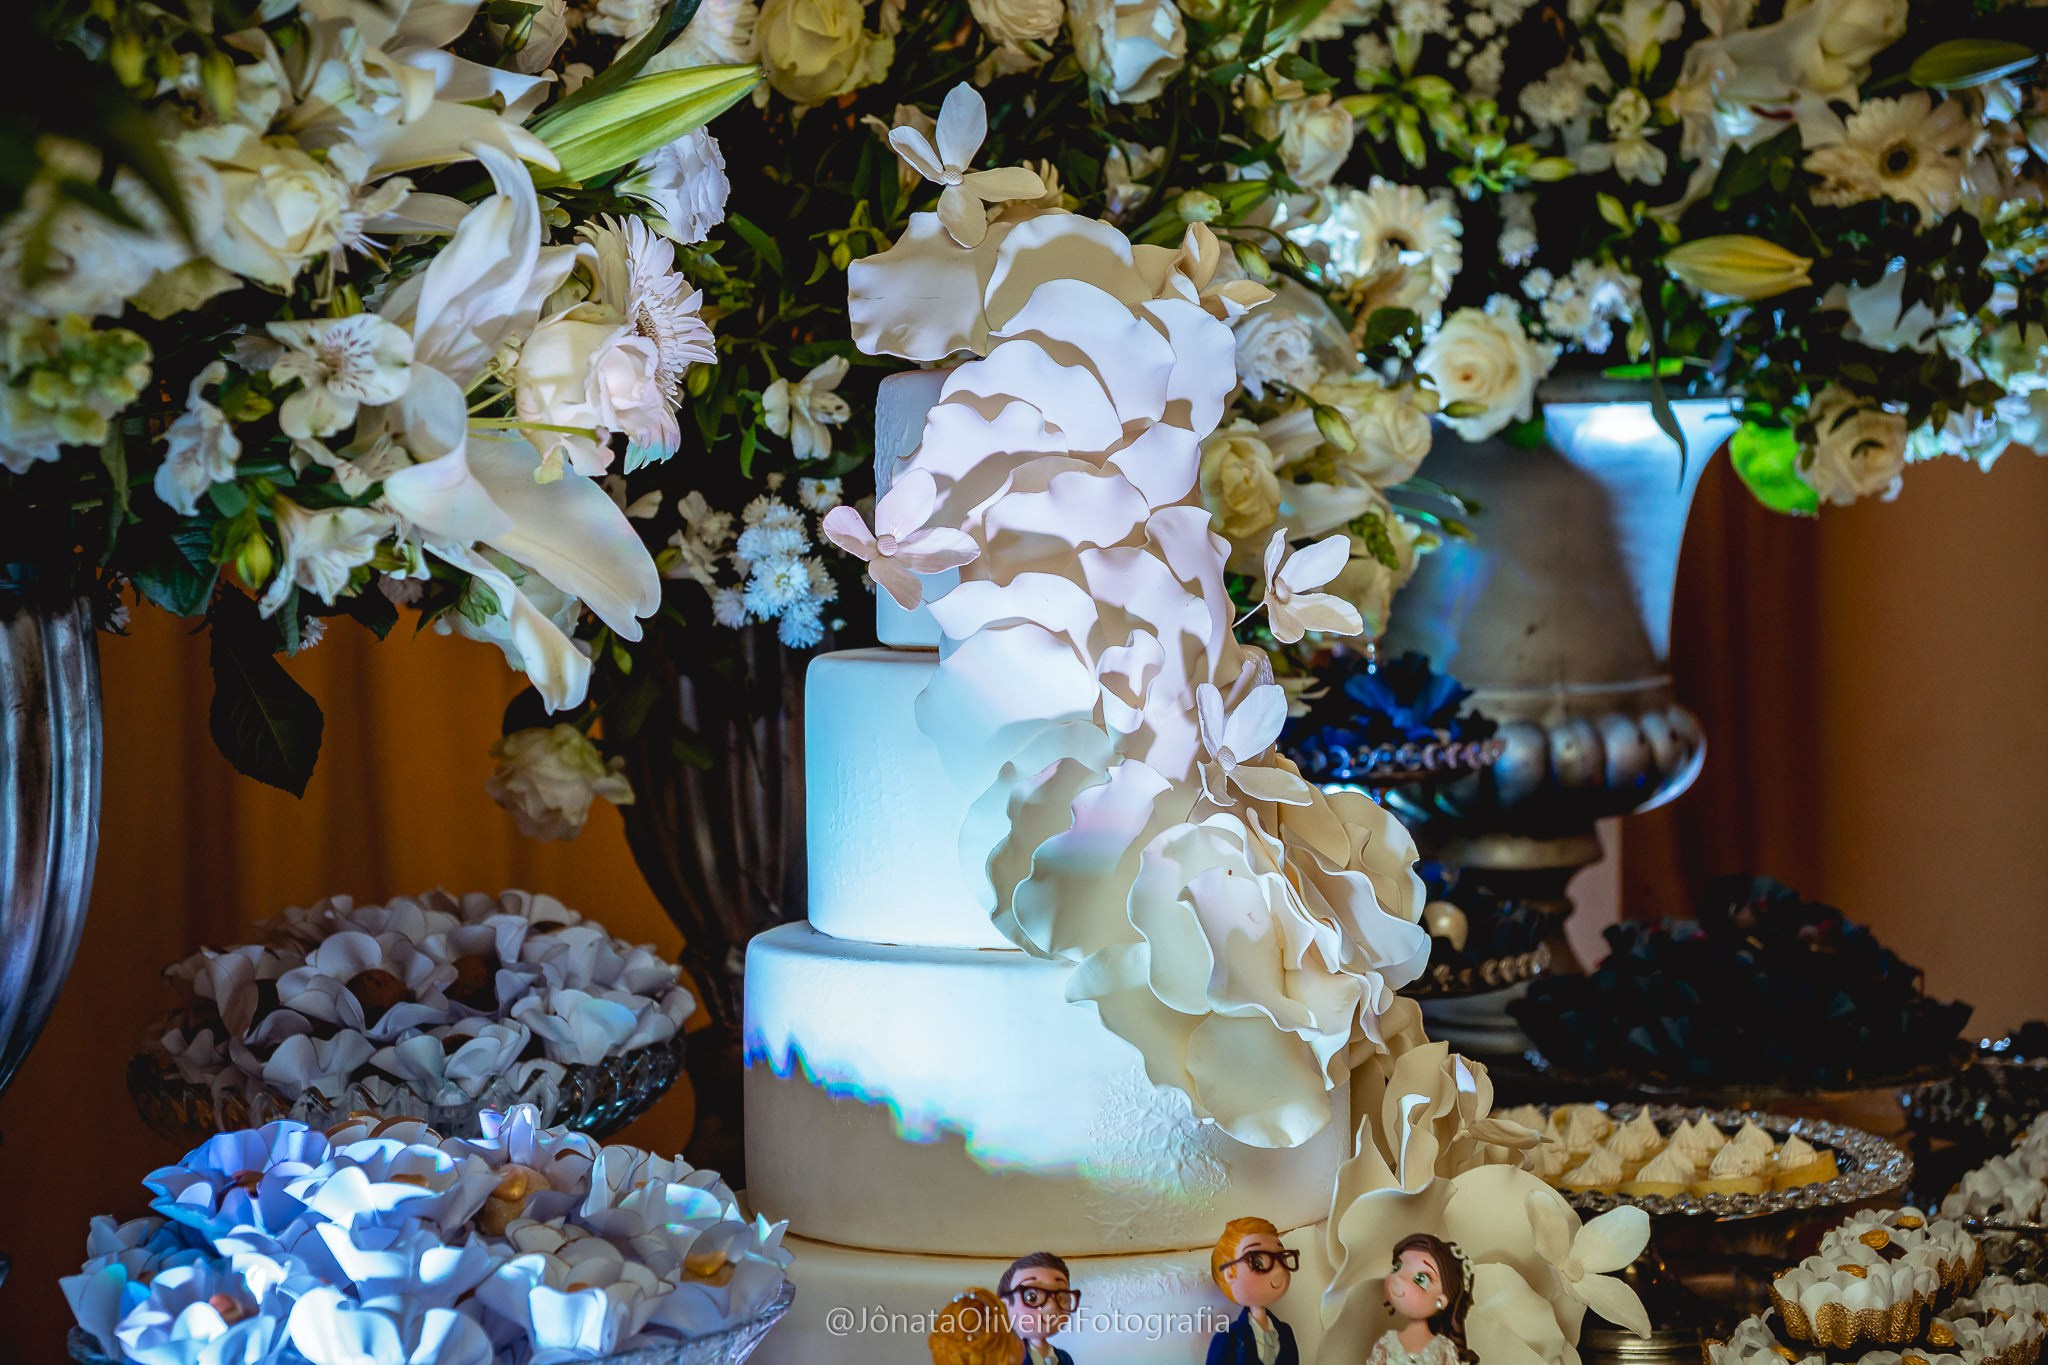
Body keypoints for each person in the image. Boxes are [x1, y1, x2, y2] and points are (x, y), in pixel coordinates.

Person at [1367, 1232, 1476, 1365]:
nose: (1399, 1278)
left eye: (1420, 1279)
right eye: (1397, 1267)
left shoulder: (1444, 1349)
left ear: (1441, 1301)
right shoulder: (1386, 1344)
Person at [1206, 1216, 1300, 1365]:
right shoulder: (1229, 1339)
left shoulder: (1284, 1333)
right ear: (1230, 1273)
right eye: (1257, 1261)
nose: (1278, 1269)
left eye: (1281, 1258)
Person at [999, 1251, 1079, 1365]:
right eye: (1031, 1297)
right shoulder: (1009, 1358)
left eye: (1062, 1297)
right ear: (1005, 1306)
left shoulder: (1065, 1358)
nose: (1051, 1307)